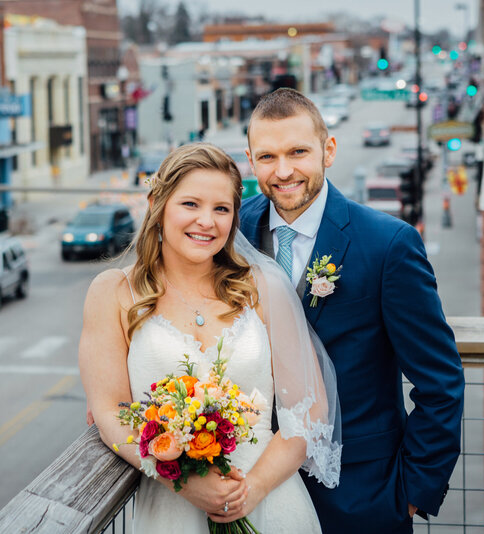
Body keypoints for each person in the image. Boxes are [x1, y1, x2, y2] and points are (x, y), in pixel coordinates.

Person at [79, 143, 341, 533]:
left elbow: (310, 409)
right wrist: (180, 480)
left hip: (272, 501)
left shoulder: (261, 287)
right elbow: (110, 414)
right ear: (157, 204)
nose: (207, 221)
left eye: (221, 209)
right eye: (190, 204)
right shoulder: (114, 293)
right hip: (171, 509)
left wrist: (252, 489)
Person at [239, 88, 464, 533]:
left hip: (362, 497)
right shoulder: (235, 231)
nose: (283, 171)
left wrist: (411, 495)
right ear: (250, 160)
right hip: (255, 490)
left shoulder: (388, 245)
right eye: (267, 157)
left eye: (298, 152)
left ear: (328, 150)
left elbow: (440, 382)